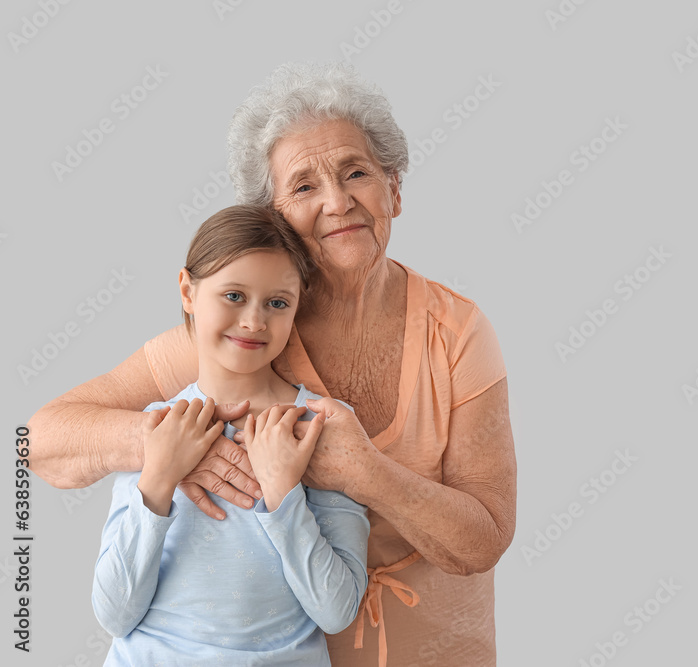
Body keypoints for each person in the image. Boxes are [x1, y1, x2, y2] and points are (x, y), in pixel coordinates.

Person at [29, 62, 516, 667]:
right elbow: (42, 439)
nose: (338, 202)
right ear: (274, 218)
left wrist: (364, 472)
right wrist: (181, 444)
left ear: (393, 189)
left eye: (356, 173)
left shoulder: (457, 333)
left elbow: (485, 537)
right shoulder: (248, 334)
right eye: (304, 186)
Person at [92, 206, 369, 665]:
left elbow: (336, 611)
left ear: (297, 306)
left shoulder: (324, 424)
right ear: (187, 291)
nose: (254, 321)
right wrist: (158, 479)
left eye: (277, 302)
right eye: (234, 295)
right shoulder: (157, 427)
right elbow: (114, 615)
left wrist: (283, 493)